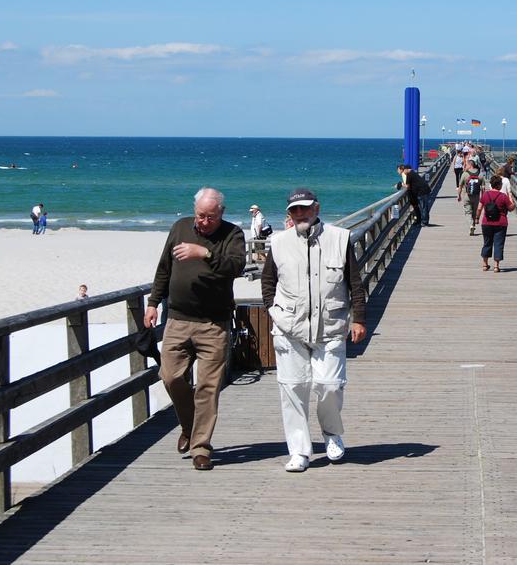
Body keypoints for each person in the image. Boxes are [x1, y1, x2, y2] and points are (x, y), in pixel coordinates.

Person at [261, 188, 367, 472]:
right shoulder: (279, 242)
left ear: (317, 209)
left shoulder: (339, 238)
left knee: (329, 386)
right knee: (292, 389)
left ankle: (332, 434)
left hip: (330, 327)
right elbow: (268, 281)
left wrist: (359, 318)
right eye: (295, 210)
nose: (300, 214)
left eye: (305, 208)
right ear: (289, 214)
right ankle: (299, 451)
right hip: (288, 327)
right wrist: (273, 310)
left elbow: (354, 282)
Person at [144, 187, 247, 470]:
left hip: (214, 323)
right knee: (170, 376)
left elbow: (236, 266)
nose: (203, 221)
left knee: (208, 387)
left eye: (210, 217)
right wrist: (153, 302)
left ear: (221, 213)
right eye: (200, 215)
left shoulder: (232, 234)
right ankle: (189, 427)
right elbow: (164, 267)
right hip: (177, 318)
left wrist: (204, 253)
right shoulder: (180, 227)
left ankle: (201, 446)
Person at [478, 174, 515, 272]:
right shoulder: (503, 196)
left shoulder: (485, 194)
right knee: (498, 244)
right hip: (501, 223)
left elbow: (479, 207)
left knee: (487, 243)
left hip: (486, 222)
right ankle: (496, 266)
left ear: (491, 184)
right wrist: (512, 201)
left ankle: (485, 265)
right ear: (499, 185)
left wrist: (477, 218)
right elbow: (511, 208)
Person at [457, 165, 485, 235]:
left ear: (470, 165)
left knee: (468, 212)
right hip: (476, 196)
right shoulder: (480, 174)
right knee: (474, 212)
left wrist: (459, 195)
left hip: (467, 196)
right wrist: (483, 197)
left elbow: (460, 186)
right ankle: (473, 226)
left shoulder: (465, 174)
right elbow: (483, 188)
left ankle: (471, 225)